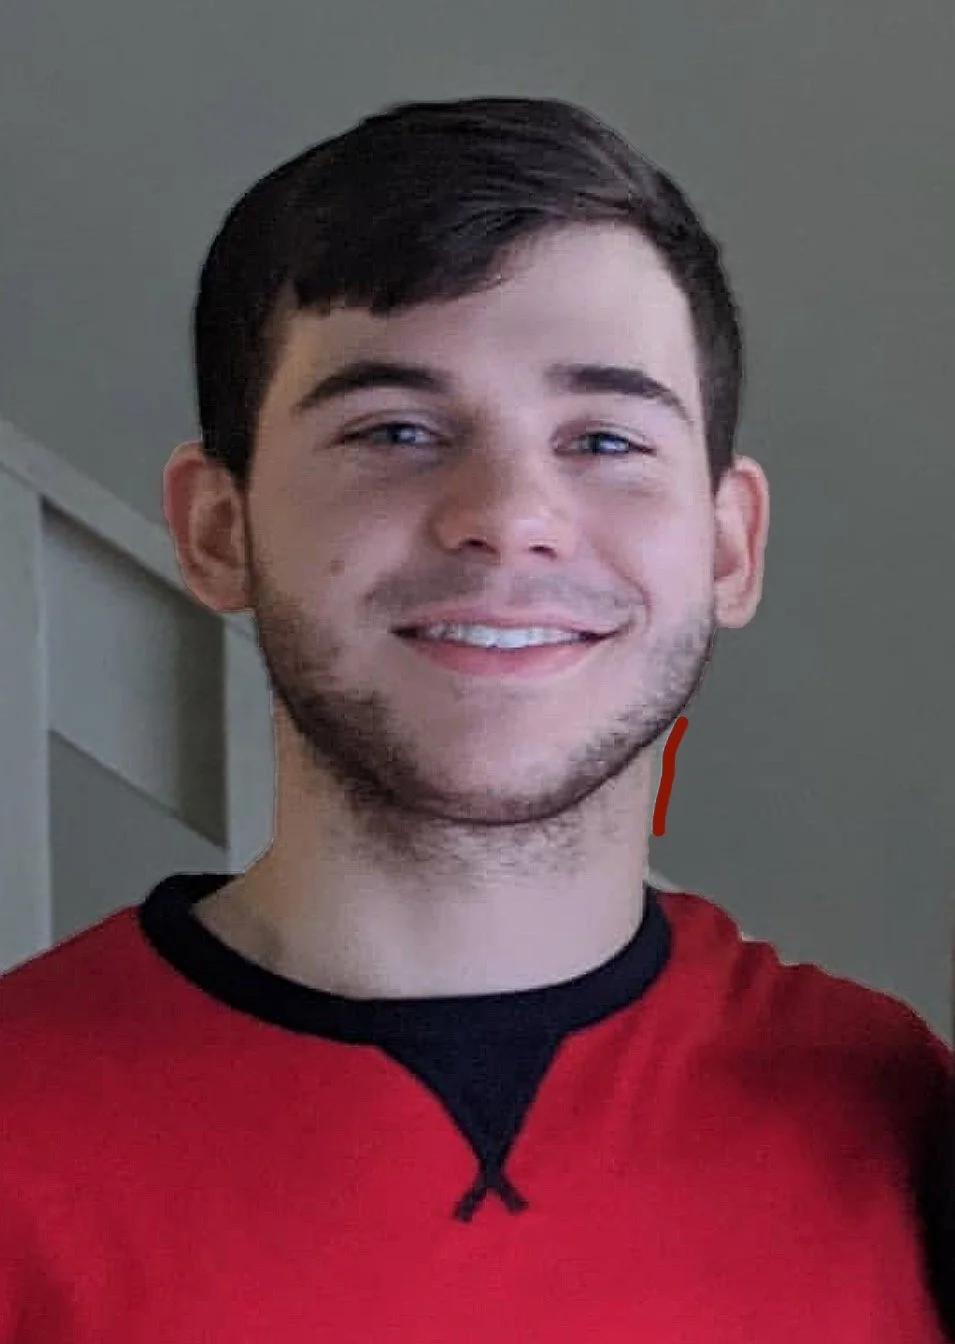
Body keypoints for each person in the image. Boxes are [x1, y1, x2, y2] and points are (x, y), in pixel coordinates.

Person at [0, 95, 951, 1341]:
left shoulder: (903, 1118)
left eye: (605, 438)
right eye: (394, 430)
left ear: (730, 543)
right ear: (216, 529)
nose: (508, 514)